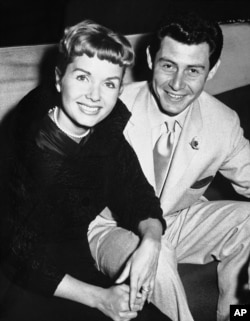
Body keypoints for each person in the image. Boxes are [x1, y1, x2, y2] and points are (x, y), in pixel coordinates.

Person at [0, 20, 169, 321]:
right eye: (82, 77)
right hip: (19, 283)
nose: (95, 95)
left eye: (109, 83)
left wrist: (152, 239)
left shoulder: (105, 134)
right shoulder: (24, 143)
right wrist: (100, 298)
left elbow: (136, 191)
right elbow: (15, 251)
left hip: (76, 266)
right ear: (58, 79)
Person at [87, 10, 250, 321]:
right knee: (155, 257)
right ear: (150, 59)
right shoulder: (108, 107)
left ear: (212, 70)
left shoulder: (223, 122)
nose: (177, 84)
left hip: (176, 220)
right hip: (112, 227)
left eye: (193, 71)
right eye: (168, 66)